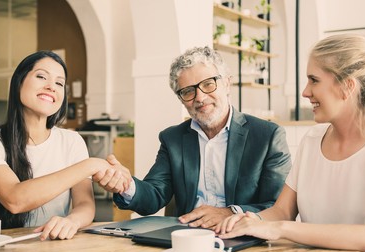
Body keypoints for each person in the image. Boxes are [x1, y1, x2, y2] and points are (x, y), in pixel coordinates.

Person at [100, 46, 291, 229]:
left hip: (246, 236)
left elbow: (278, 207)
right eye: (188, 91)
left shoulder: (268, 136)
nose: (199, 97)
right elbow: (155, 194)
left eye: (208, 84)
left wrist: (230, 213)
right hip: (187, 237)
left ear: (227, 84)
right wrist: (126, 185)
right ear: (181, 99)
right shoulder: (172, 138)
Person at [216, 34, 365, 252]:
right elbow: (282, 211)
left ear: (347, 86)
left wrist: (280, 229)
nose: (305, 92)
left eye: (314, 80)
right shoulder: (312, 140)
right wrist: (248, 220)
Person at [0, 51, 124, 240]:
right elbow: (15, 199)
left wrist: (72, 220)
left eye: (59, 83)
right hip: (8, 251)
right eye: (41, 76)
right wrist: (91, 164)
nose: (51, 87)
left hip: (57, 245)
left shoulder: (72, 141)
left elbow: (85, 204)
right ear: (18, 83)